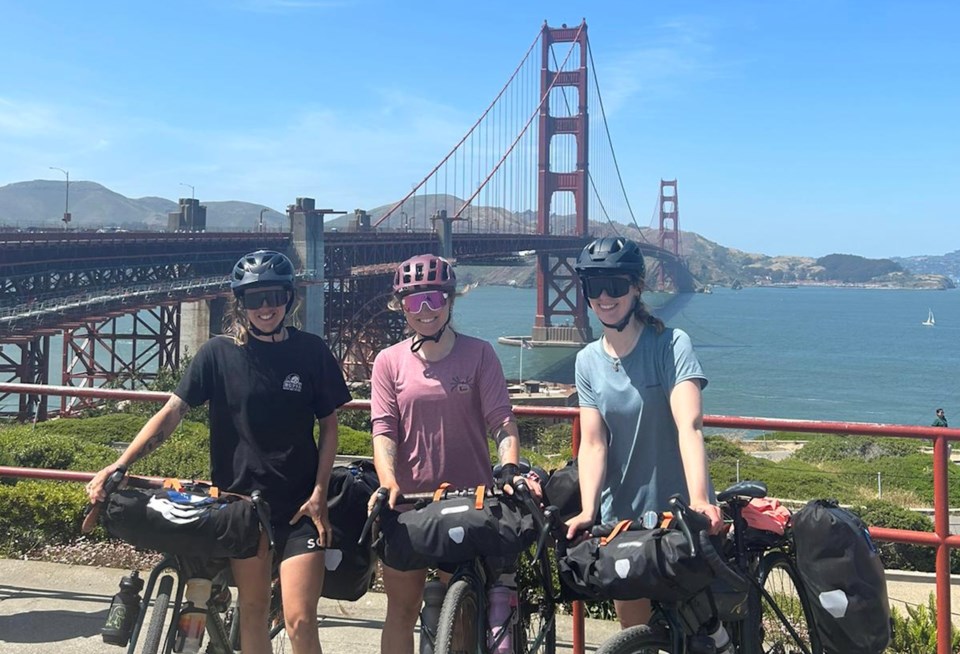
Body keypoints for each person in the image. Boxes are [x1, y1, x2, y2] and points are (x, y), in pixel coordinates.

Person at [87, 249, 351, 654]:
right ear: (239, 303)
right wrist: (120, 464)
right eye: (254, 298)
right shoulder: (217, 353)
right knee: (254, 609)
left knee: (300, 619)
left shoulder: (311, 351)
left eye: (275, 296)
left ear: (289, 299)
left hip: (300, 507)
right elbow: (172, 412)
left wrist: (319, 494)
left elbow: (329, 425)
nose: (266, 307)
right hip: (240, 506)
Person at [369, 253, 540, 654]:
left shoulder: (479, 354)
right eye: (413, 301)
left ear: (450, 301)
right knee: (401, 608)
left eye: (434, 299)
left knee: (461, 610)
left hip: (469, 501)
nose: (425, 311)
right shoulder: (388, 362)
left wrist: (509, 464)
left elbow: (502, 420)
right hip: (408, 504)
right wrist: (388, 481)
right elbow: (383, 431)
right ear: (401, 306)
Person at [565, 237, 721, 629]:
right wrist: (587, 510)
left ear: (637, 286)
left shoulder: (671, 345)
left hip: (681, 515)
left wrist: (700, 499)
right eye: (593, 286)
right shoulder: (586, 362)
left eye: (615, 285)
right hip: (622, 519)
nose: (604, 297)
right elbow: (594, 442)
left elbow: (690, 425)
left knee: (698, 632)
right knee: (634, 634)